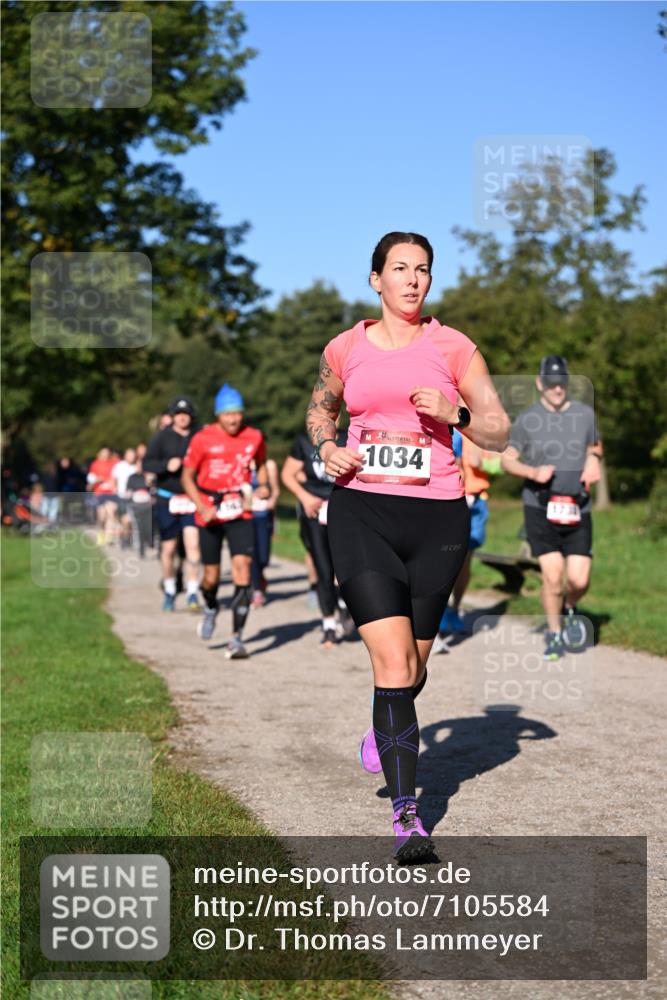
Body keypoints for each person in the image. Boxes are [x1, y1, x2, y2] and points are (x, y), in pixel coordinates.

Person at [306, 232, 510, 861]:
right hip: (362, 511)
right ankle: (408, 815)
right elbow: (320, 411)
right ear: (376, 279)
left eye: (423, 270)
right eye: (400, 269)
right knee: (393, 666)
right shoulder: (343, 348)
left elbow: (500, 432)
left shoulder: (454, 347)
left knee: (412, 669)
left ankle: (383, 721)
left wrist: (458, 414)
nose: (413, 280)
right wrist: (325, 447)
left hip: (437, 519)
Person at [501, 355, 602, 660]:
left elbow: (594, 447)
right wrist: (533, 473)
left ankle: (569, 607)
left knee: (580, 579)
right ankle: (555, 633)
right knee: (553, 576)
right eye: (551, 383)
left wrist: (594, 462)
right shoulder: (527, 420)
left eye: (562, 383)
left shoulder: (585, 415)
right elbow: (507, 460)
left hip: (577, 507)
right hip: (540, 508)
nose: (557, 389)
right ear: (539, 383)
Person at [181, 383, 271, 659]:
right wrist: (201, 506)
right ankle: (210, 607)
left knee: (243, 568)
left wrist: (264, 486)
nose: (234, 419)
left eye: (238, 413)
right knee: (211, 577)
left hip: (240, 510)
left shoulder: (254, 436)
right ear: (218, 415)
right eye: (228, 414)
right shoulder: (202, 438)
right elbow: (187, 476)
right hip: (209, 510)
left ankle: (236, 639)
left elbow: (262, 464)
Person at [281, 428, 354, 646]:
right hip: (314, 511)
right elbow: (287, 474)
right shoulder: (304, 441)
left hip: (343, 510)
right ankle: (328, 625)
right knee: (323, 568)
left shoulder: (350, 437)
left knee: (345, 568)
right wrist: (305, 497)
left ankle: (344, 603)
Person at [434, 428, 502, 646]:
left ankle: (455, 608)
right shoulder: (448, 427)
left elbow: (498, 465)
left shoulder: (481, 430)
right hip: (449, 499)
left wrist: (480, 462)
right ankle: (440, 611)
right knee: (445, 558)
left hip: (476, 500)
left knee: (465, 560)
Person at [144, 397, 201, 611]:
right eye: (178, 414)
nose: (182, 417)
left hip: (192, 498)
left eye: (185, 414)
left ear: (191, 416)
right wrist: (166, 465)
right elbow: (147, 463)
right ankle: (169, 590)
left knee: (193, 546)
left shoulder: (199, 436)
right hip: (167, 498)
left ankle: (193, 593)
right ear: (173, 416)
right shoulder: (162, 437)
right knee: (169, 548)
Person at [250, 456, 280, 607]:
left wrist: (271, 501)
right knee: (252, 553)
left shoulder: (269, 464)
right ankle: (257, 591)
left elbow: (275, 491)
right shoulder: (240, 461)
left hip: (263, 515)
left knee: (263, 557)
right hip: (246, 516)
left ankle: (260, 577)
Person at [86, 446, 118, 544]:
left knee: (111, 514)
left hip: (111, 492)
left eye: (107, 453)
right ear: (99, 454)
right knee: (102, 516)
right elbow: (91, 480)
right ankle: (101, 533)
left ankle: (108, 537)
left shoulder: (114, 463)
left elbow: (117, 477)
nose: (105, 455)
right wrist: (97, 480)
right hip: (99, 493)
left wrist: (114, 484)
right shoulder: (95, 465)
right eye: (103, 453)